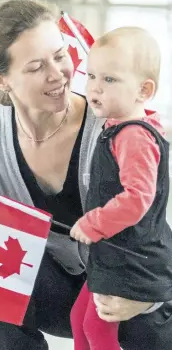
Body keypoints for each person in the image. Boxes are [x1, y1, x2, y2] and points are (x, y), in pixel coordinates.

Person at [0, 0, 169, 350]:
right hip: (62, 295)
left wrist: (149, 297)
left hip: (131, 287)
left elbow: (152, 231)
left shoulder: (110, 124)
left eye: (60, 55)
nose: (58, 73)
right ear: (1, 79)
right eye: (35, 67)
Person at [70, 27, 172, 350]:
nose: (95, 88)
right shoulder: (119, 127)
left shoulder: (133, 137)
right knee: (79, 319)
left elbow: (137, 198)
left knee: (98, 330)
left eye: (110, 80)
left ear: (144, 90)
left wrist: (93, 222)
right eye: (92, 76)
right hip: (112, 252)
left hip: (129, 257)